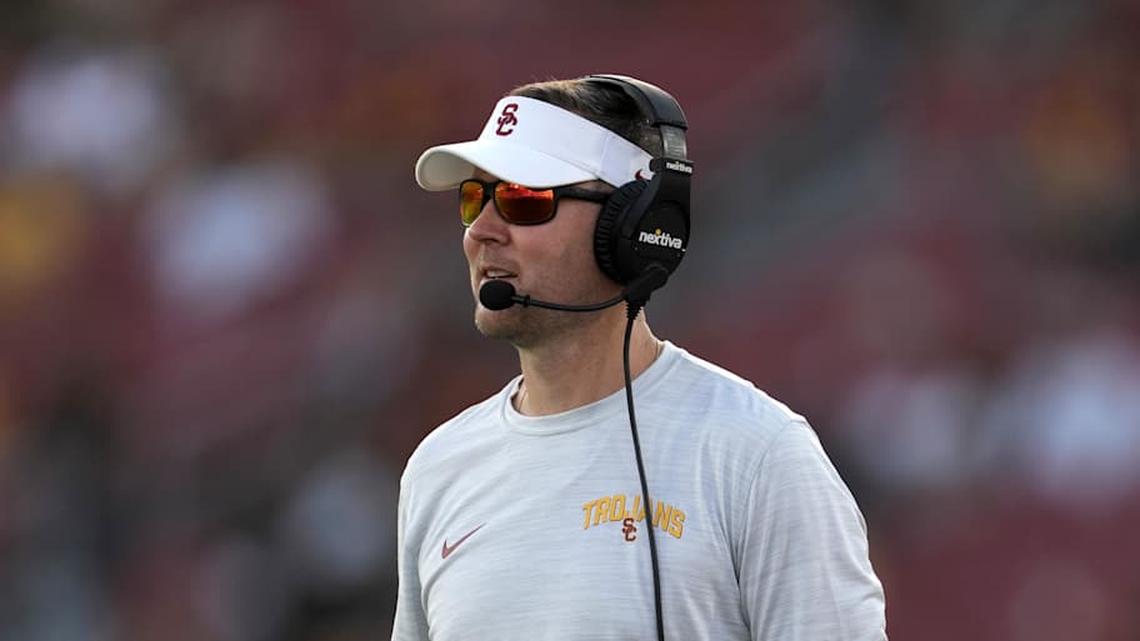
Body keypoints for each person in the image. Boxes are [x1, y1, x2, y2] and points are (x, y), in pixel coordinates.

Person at [394, 74, 887, 641]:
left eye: (522, 199)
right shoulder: (439, 467)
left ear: (631, 227)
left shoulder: (756, 455)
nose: (480, 231)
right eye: (473, 198)